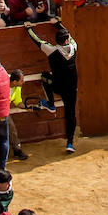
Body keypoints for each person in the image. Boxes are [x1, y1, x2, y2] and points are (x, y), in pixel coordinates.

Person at [25, 24, 78, 154]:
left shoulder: (52, 50)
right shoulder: (74, 47)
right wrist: (57, 24)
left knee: (45, 77)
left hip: (58, 86)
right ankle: (70, 142)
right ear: (66, 40)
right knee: (70, 114)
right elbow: (69, 36)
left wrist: (28, 29)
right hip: (71, 88)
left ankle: (50, 103)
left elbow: (37, 40)